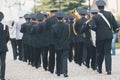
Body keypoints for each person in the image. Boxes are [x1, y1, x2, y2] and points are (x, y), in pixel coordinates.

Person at [89, 0, 119, 75]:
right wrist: (114, 30)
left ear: (98, 7)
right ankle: (109, 70)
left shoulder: (95, 17)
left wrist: (97, 30)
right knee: (107, 53)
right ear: (104, 6)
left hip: (100, 37)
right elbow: (116, 25)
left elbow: (92, 27)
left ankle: (99, 68)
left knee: (99, 53)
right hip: (109, 36)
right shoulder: (110, 14)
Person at [52, 11, 70, 77]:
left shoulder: (53, 26)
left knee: (58, 58)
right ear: (62, 18)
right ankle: (65, 72)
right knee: (64, 58)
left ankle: (58, 72)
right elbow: (68, 35)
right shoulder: (67, 25)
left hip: (57, 44)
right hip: (65, 44)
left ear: (57, 18)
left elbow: (53, 36)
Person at [0, 11, 9, 80]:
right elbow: (7, 38)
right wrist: (3, 42)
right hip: (3, 46)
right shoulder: (5, 26)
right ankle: (2, 77)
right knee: (3, 62)